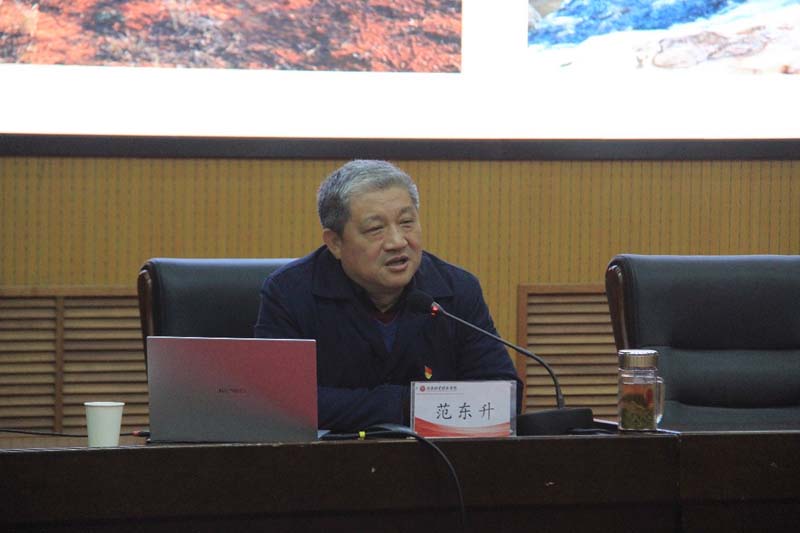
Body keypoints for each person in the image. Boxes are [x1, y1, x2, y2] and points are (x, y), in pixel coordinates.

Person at [254, 160, 522, 431]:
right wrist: (405, 404)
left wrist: (395, 405)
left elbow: (503, 396)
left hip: (435, 455)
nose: (397, 242)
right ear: (335, 242)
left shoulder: (457, 289)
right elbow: (277, 402)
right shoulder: (290, 293)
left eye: (407, 223)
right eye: (375, 229)